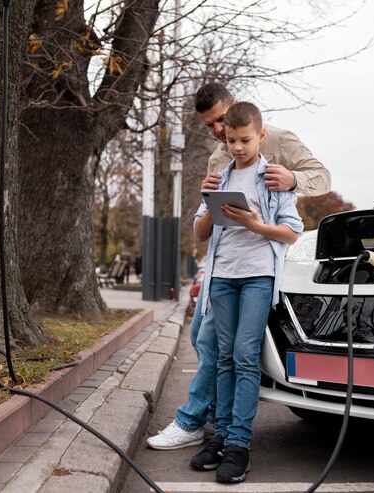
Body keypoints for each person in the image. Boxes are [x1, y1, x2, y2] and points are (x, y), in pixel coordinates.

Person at [146, 83, 330, 453]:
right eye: (212, 127)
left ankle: (195, 420)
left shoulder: (275, 138)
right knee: (203, 337)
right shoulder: (220, 156)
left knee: (229, 349)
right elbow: (209, 215)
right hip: (223, 265)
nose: (218, 133)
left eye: (220, 121)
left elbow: (322, 177)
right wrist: (207, 197)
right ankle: (219, 418)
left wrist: (293, 181)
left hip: (261, 262)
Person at [193, 102, 302, 482]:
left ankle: (239, 444)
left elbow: (291, 232)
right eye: (232, 141)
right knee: (224, 356)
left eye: (244, 140)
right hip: (221, 276)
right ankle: (220, 437)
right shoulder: (219, 177)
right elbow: (200, 233)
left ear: (259, 136)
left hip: (257, 277)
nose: (237, 147)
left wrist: (256, 225)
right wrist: (210, 203)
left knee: (244, 356)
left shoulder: (273, 179)